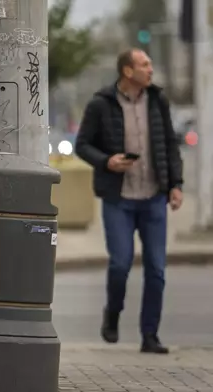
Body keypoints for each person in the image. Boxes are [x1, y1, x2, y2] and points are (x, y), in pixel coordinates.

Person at [75, 48, 183, 354]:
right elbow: (82, 145)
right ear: (127, 71)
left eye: (150, 63)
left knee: (156, 270)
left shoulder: (157, 101)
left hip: (153, 198)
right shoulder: (100, 104)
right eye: (145, 64)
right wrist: (107, 160)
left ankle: (150, 335)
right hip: (118, 198)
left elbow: (169, 145)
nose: (151, 69)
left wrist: (176, 185)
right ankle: (113, 312)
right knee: (120, 264)